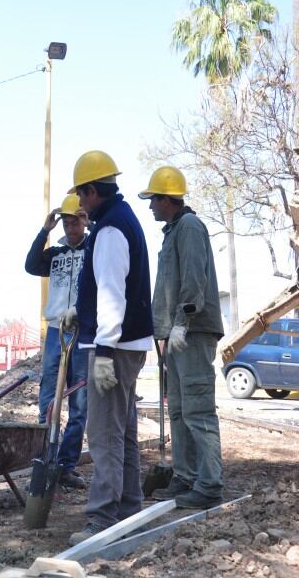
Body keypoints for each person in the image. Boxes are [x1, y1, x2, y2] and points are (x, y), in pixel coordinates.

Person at [63, 150, 154, 545]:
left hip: (114, 348)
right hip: (125, 344)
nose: (80, 205)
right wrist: (79, 313)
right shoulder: (121, 220)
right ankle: (130, 507)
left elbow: (113, 293)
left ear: (94, 190)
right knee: (124, 431)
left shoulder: (111, 229)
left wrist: (102, 349)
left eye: (82, 196)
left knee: (104, 434)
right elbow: (106, 288)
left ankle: (103, 517)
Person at [139, 166, 224, 509]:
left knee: (198, 409)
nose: (150, 207)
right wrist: (166, 330)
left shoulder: (189, 228)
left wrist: (182, 323)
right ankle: (186, 477)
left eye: (153, 200)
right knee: (178, 409)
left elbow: (193, 280)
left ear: (167, 198)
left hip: (192, 333)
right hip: (176, 335)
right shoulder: (174, 231)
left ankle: (210, 483)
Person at [24, 193, 90, 489]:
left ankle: (66, 465)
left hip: (83, 328)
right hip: (55, 330)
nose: (70, 226)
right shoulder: (56, 253)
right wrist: (44, 230)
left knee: (79, 400)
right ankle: (44, 459)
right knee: (48, 395)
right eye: (65, 221)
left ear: (84, 221)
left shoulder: (94, 247)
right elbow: (30, 265)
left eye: (75, 220)